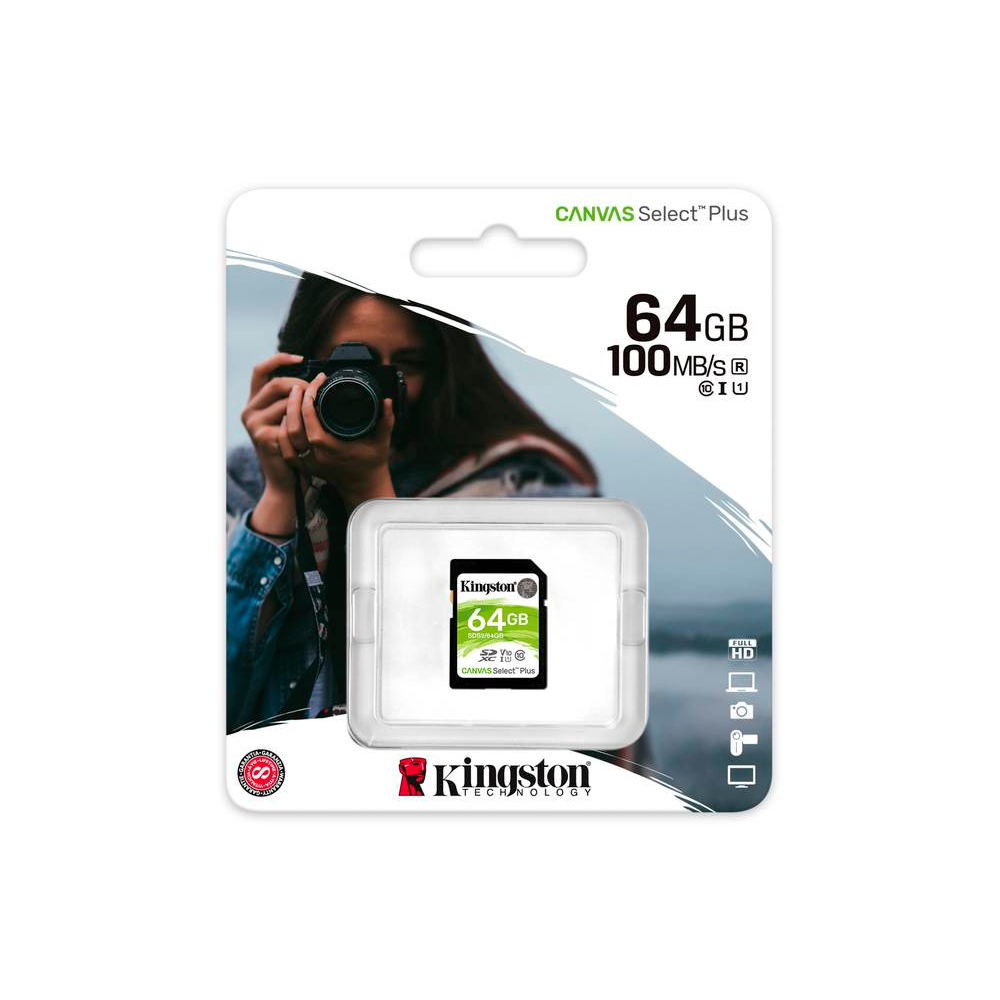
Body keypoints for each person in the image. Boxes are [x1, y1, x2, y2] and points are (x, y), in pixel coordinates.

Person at [227, 273, 597, 732]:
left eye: (407, 365)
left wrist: (371, 494)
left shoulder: (516, 489)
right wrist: (281, 495)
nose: (373, 388)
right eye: (349, 365)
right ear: (298, 371)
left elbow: (502, 683)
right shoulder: (244, 483)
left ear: (444, 368)